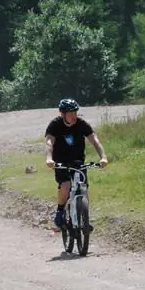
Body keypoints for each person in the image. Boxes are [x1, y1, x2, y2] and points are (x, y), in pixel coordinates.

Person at [44, 98, 108, 228]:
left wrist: (103, 157)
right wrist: (49, 158)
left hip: (78, 161)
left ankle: (85, 219)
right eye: (70, 113)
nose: (74, 116)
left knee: (83, 188)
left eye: (75, 112)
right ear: (62, 114)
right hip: (61, 161)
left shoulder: (81, 124)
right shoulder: (55, 125)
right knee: (66, 185)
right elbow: (49, 142)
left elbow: (94, 140)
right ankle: (60, 211)